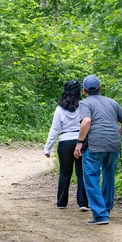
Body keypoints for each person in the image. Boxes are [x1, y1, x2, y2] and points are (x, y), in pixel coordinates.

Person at [74, 75, 122, 225]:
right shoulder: (112, 102)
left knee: (91, 177)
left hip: (95, 144)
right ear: (100, 88)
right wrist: (119, 132)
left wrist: (79, 143)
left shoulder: (85, 103)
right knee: (108, 175)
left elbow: (86, 121)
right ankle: (106, 208)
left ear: (84, 91)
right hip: (113, 144)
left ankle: (100, 215)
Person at [43, 80, 90, 211]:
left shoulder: (60, 108)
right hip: (80, 141)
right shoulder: (83, 105)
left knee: (64, 173)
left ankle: (62, 202)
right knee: (81, 173)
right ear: (79, 91)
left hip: (64, 142)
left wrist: (48, 147)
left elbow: (54, 129)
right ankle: (83, 203)